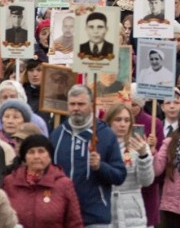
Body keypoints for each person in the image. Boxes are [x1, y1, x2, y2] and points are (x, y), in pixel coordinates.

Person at [49, 85, 126, 226]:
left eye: (81, 104)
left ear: (91, 105)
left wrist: (100, 167)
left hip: (94, 217)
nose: (76, 108)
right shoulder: (57, 134)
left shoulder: (106, 135)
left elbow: (119, 175)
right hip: (62, 217)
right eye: (72, 104)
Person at [102, 103, 155, 227]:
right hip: (106, 206)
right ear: (109, 121)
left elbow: (147, 181)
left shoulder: (139, 145)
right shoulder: (100, 144)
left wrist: (143, 156)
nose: (122, 124)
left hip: (132, 210)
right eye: (118, 120)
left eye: (126, 120)